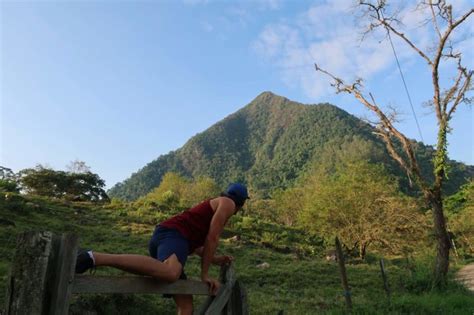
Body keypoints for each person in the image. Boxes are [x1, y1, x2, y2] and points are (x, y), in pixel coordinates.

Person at [75, 183, 249, 315]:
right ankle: (94, 257)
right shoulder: (228, 204)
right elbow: (212, 238)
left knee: (186, 306)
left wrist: (216, 259)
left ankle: (93, 258)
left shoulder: (217, 205)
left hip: (170, 238)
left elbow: (196, 246)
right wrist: (205, 275)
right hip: (172, 234)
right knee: (172, 272)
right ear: (240, 204)